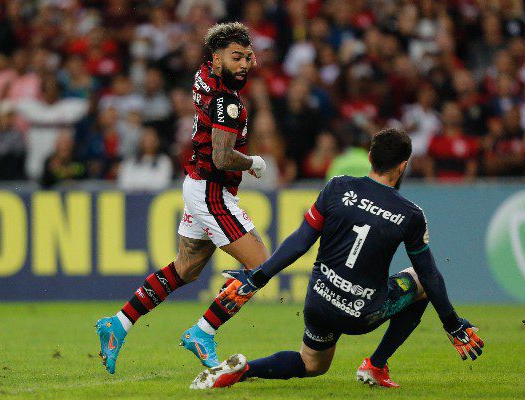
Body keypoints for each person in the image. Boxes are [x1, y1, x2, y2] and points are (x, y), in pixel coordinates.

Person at [190, 129, 485, 390]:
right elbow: (430, 274)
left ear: (370, 157)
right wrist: (452, 323)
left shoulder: (338, 187)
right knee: (419, 281)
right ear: (403, 165)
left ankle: (245, 370)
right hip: (362, 312)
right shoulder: (410, 214)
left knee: (311, 364)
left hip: (319, 301)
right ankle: (376, 365)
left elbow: (300, 241)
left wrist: (257, 277)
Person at [95, 22, 269, 374]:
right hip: (211, 190)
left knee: (186, 269)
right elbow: (222, 156)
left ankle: (119, 323)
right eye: (236, 57)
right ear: (217, 59)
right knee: (261, 265)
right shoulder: (227, 102)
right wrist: (252, 162)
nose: (245, 64)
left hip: (196, 182)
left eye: (248, 57)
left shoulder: (203, 75)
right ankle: (202, 332)